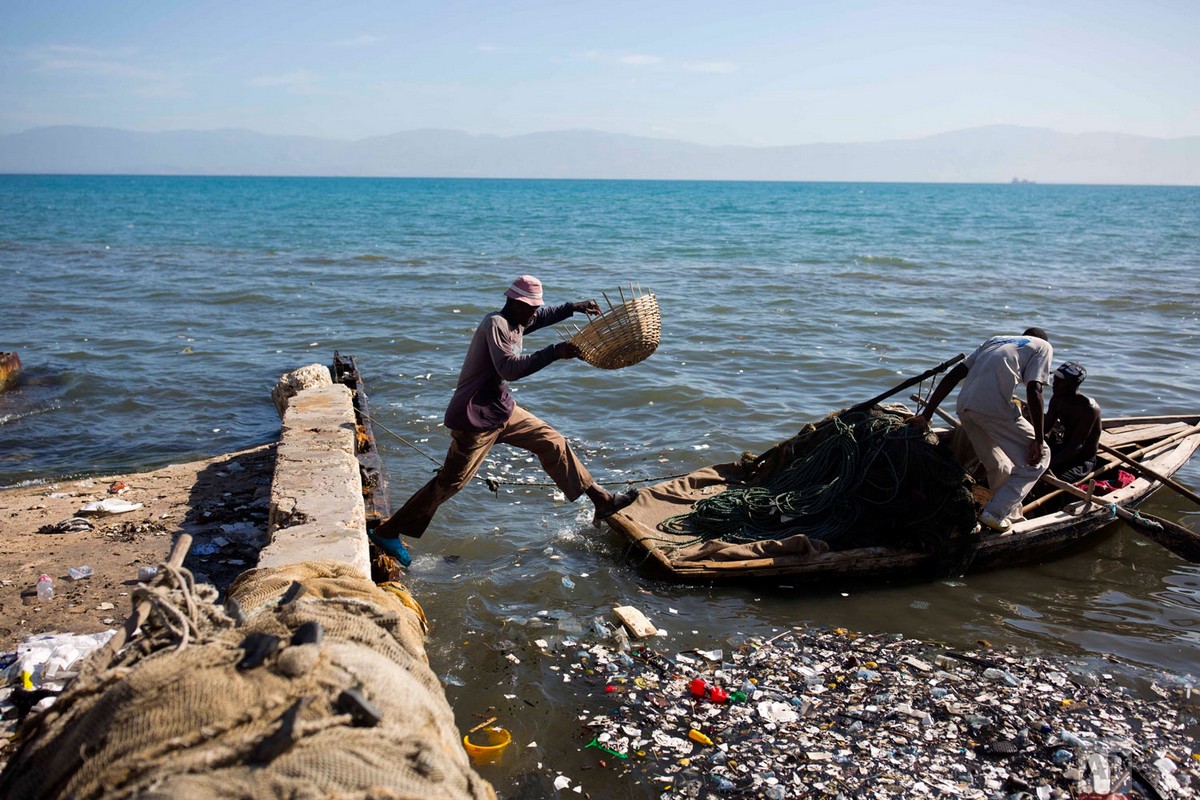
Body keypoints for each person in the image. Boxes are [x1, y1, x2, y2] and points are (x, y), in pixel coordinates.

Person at [370, 275, 638, 555]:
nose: (534, 311)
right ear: (513, 301)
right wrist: (555, 352)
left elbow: (543, 317)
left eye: (536, 306)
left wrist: (574, 307)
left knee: (552, 441)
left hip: (502, 410)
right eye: (530, 306)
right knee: (450, 484)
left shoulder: (519, 321)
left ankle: (602, 500)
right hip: (474, 418)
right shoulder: (496, 324)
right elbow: (509, 369)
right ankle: (387, 532)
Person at [908, 328, 1053, 534]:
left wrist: (927, 414)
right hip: (992, 407)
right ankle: (994, 513)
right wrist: (1039, 439)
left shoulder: (996, 340)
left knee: (999, 464)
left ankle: (1010, 515)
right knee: (1041, 457)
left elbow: (954, 375)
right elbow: (1034, 389)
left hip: (965, 406)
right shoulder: (1042, 346)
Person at [1044, 361, 1101, 482]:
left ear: (1071, 384)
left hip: (1082, 458)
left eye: (1059, 381)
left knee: (1056, 480)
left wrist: (1047, 465)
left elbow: (1076, 446)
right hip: (1063, 447)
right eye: (1054, 379)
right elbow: (1045, 428)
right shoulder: (1057, 398)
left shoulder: (1089, 409)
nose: (1053, 384)